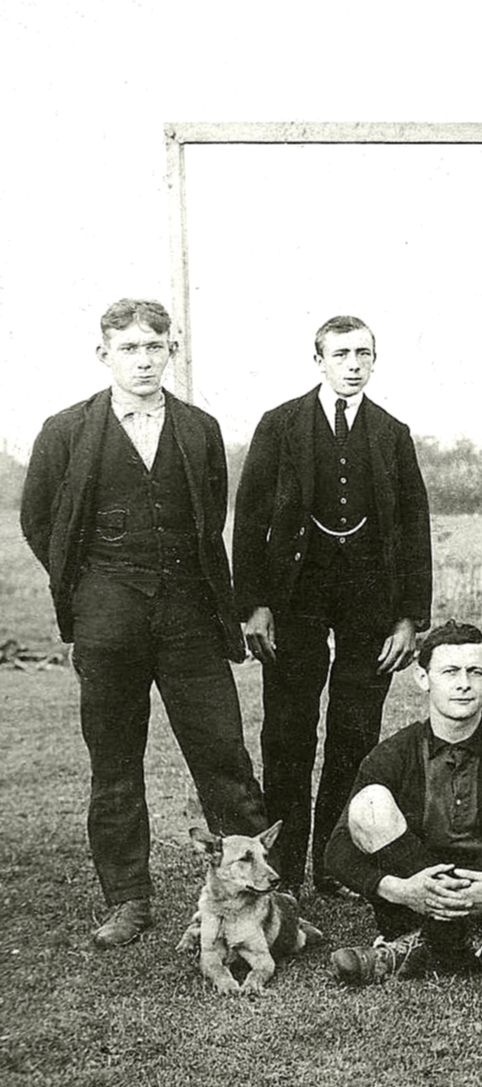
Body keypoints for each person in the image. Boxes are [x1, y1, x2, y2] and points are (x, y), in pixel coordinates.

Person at [20, 298, 267, 950]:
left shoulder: (199, 428)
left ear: (170, 351)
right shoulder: (65, 430)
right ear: (104, 354)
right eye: (129, 348)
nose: (143, 360)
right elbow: (39, 521)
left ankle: (256, 893)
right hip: (107, 624)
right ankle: (128, 899)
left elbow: (208, 517)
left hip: (189, 618)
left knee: (223, 755)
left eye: (154, 347)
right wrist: (91, 587)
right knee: (114, 764)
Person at [234, 314, 432, 898]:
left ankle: (334, 864)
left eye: (363, 354)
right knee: (288, 732)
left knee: (355, 731)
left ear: (374, 360)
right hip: (295, 596)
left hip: (370, 599)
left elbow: (414, 526)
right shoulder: (280, 424)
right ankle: (284, 868)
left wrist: (409, 617)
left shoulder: (392, 432)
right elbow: (249, 518)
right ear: (318, 360)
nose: (353, 364)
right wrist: (255, 604)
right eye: (341, 354)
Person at [323, 621, 482, 984]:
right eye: (450, 672)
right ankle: (473, 944)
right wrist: (399, 889)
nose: (463, 684)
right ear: (423, 678)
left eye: (475, 672)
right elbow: (337, 851)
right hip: (413, 899)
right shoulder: (393, 754)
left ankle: (416, 945)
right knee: (370, 803)